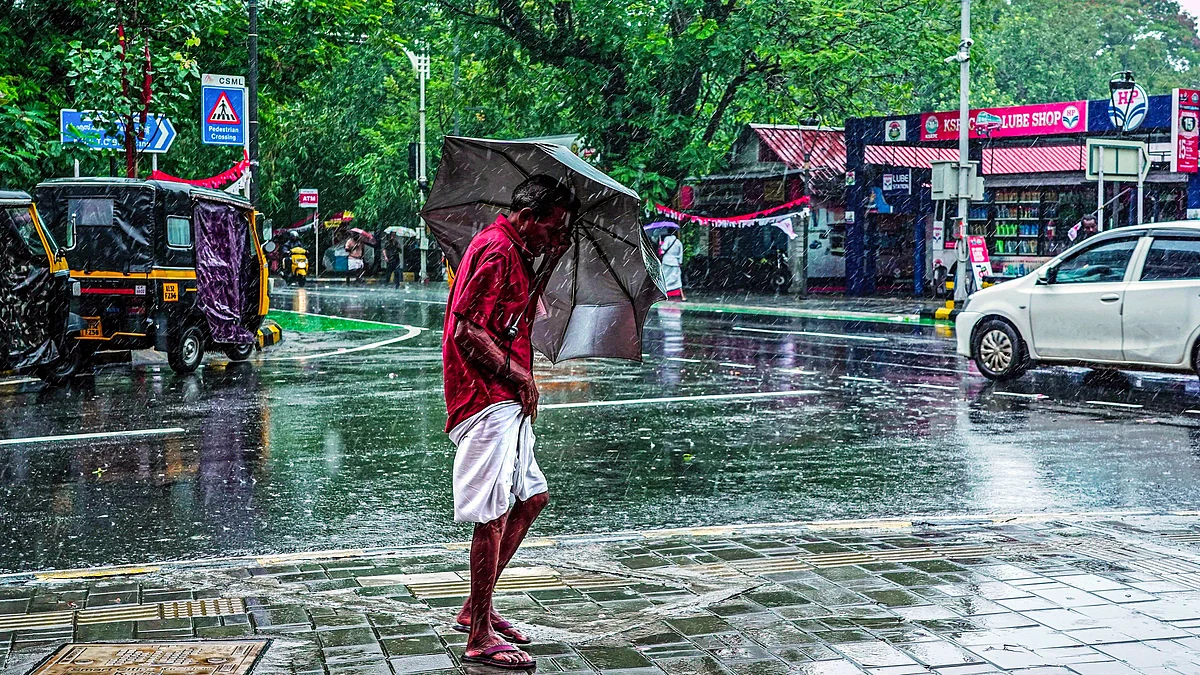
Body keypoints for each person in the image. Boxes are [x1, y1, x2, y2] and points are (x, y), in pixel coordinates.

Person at [442, 175, 577, 669]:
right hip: (486, 396)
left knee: (531, 497)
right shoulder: (497, 250)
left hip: (505, 397)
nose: (556, 236)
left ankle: (475, 607)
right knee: (494, 513)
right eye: (554, 226)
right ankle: (478, 635)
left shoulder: (516, 252)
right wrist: (519, 375)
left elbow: (507, 318)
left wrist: (549, 259)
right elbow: (467, 330)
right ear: (527, 217)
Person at [660, 229, 685, 300]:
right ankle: (681, 294)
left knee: (665, 277)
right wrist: (680, 262)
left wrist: (661, 245)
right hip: (675, 262)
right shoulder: (678, 242)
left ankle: (665, 291)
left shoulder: (667, 239)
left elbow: (663, 248)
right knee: (676, 278)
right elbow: (680, 254)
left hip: (666, 261)